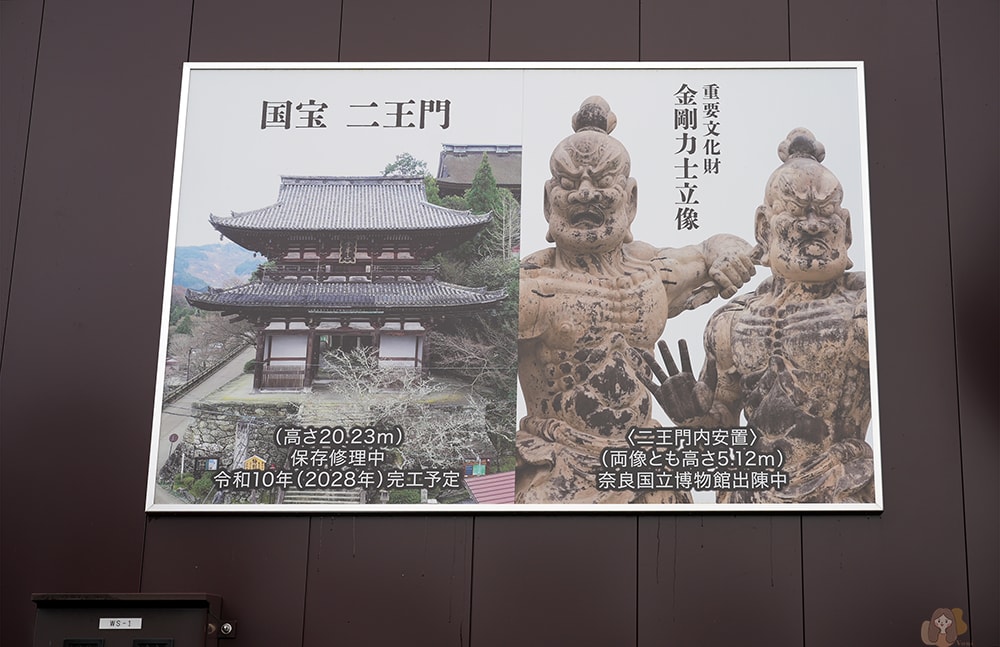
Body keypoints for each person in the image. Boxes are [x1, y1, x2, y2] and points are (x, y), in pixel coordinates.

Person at [515, 96, 755, 504]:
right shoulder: (532, 285)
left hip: (644, 463)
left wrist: (727, 253)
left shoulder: (649, 272)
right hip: (556, 464)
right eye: (569, 184)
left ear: (630, 199)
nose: (585, 195)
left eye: (602, 183)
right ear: (547, 200)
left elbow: (711, 247)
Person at [642, 128, 874, 504]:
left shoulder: (862, 306)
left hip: (840, 489)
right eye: (795, 211)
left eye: (825, 212)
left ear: (845, 228)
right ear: (763, 228)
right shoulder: (732, 322)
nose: (812, 224)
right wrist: (694, 417)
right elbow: (721, 430)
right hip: (750, 496)